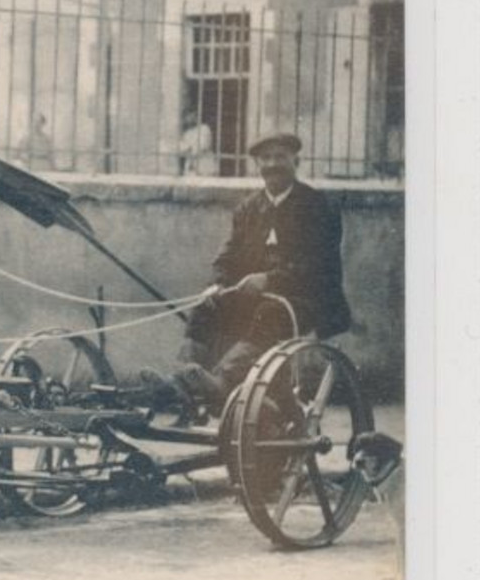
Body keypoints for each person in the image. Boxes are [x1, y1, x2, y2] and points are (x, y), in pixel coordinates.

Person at [145, 130, 350, 414]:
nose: (272, 164)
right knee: (205, 308)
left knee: (269, 312)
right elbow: (227, 257)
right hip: (258, 298)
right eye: (265, 158)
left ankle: (220, 381)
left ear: (296, 161)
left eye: (280, 157)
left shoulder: (318, 206)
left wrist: (270, 279)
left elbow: (317, 265)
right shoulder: (248, 209)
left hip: (307, 300)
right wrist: (216, 284)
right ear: (257, 165)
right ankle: (182, 381)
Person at [177, 109, 218, 177]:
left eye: (193, 115)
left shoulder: (204, 128)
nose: (190, 118)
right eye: (187, 116)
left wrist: (189, 148)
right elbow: (181, 149)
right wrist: (189, 149)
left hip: (205, 165)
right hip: (191, 167)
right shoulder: (187, 133)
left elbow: (202, 146)